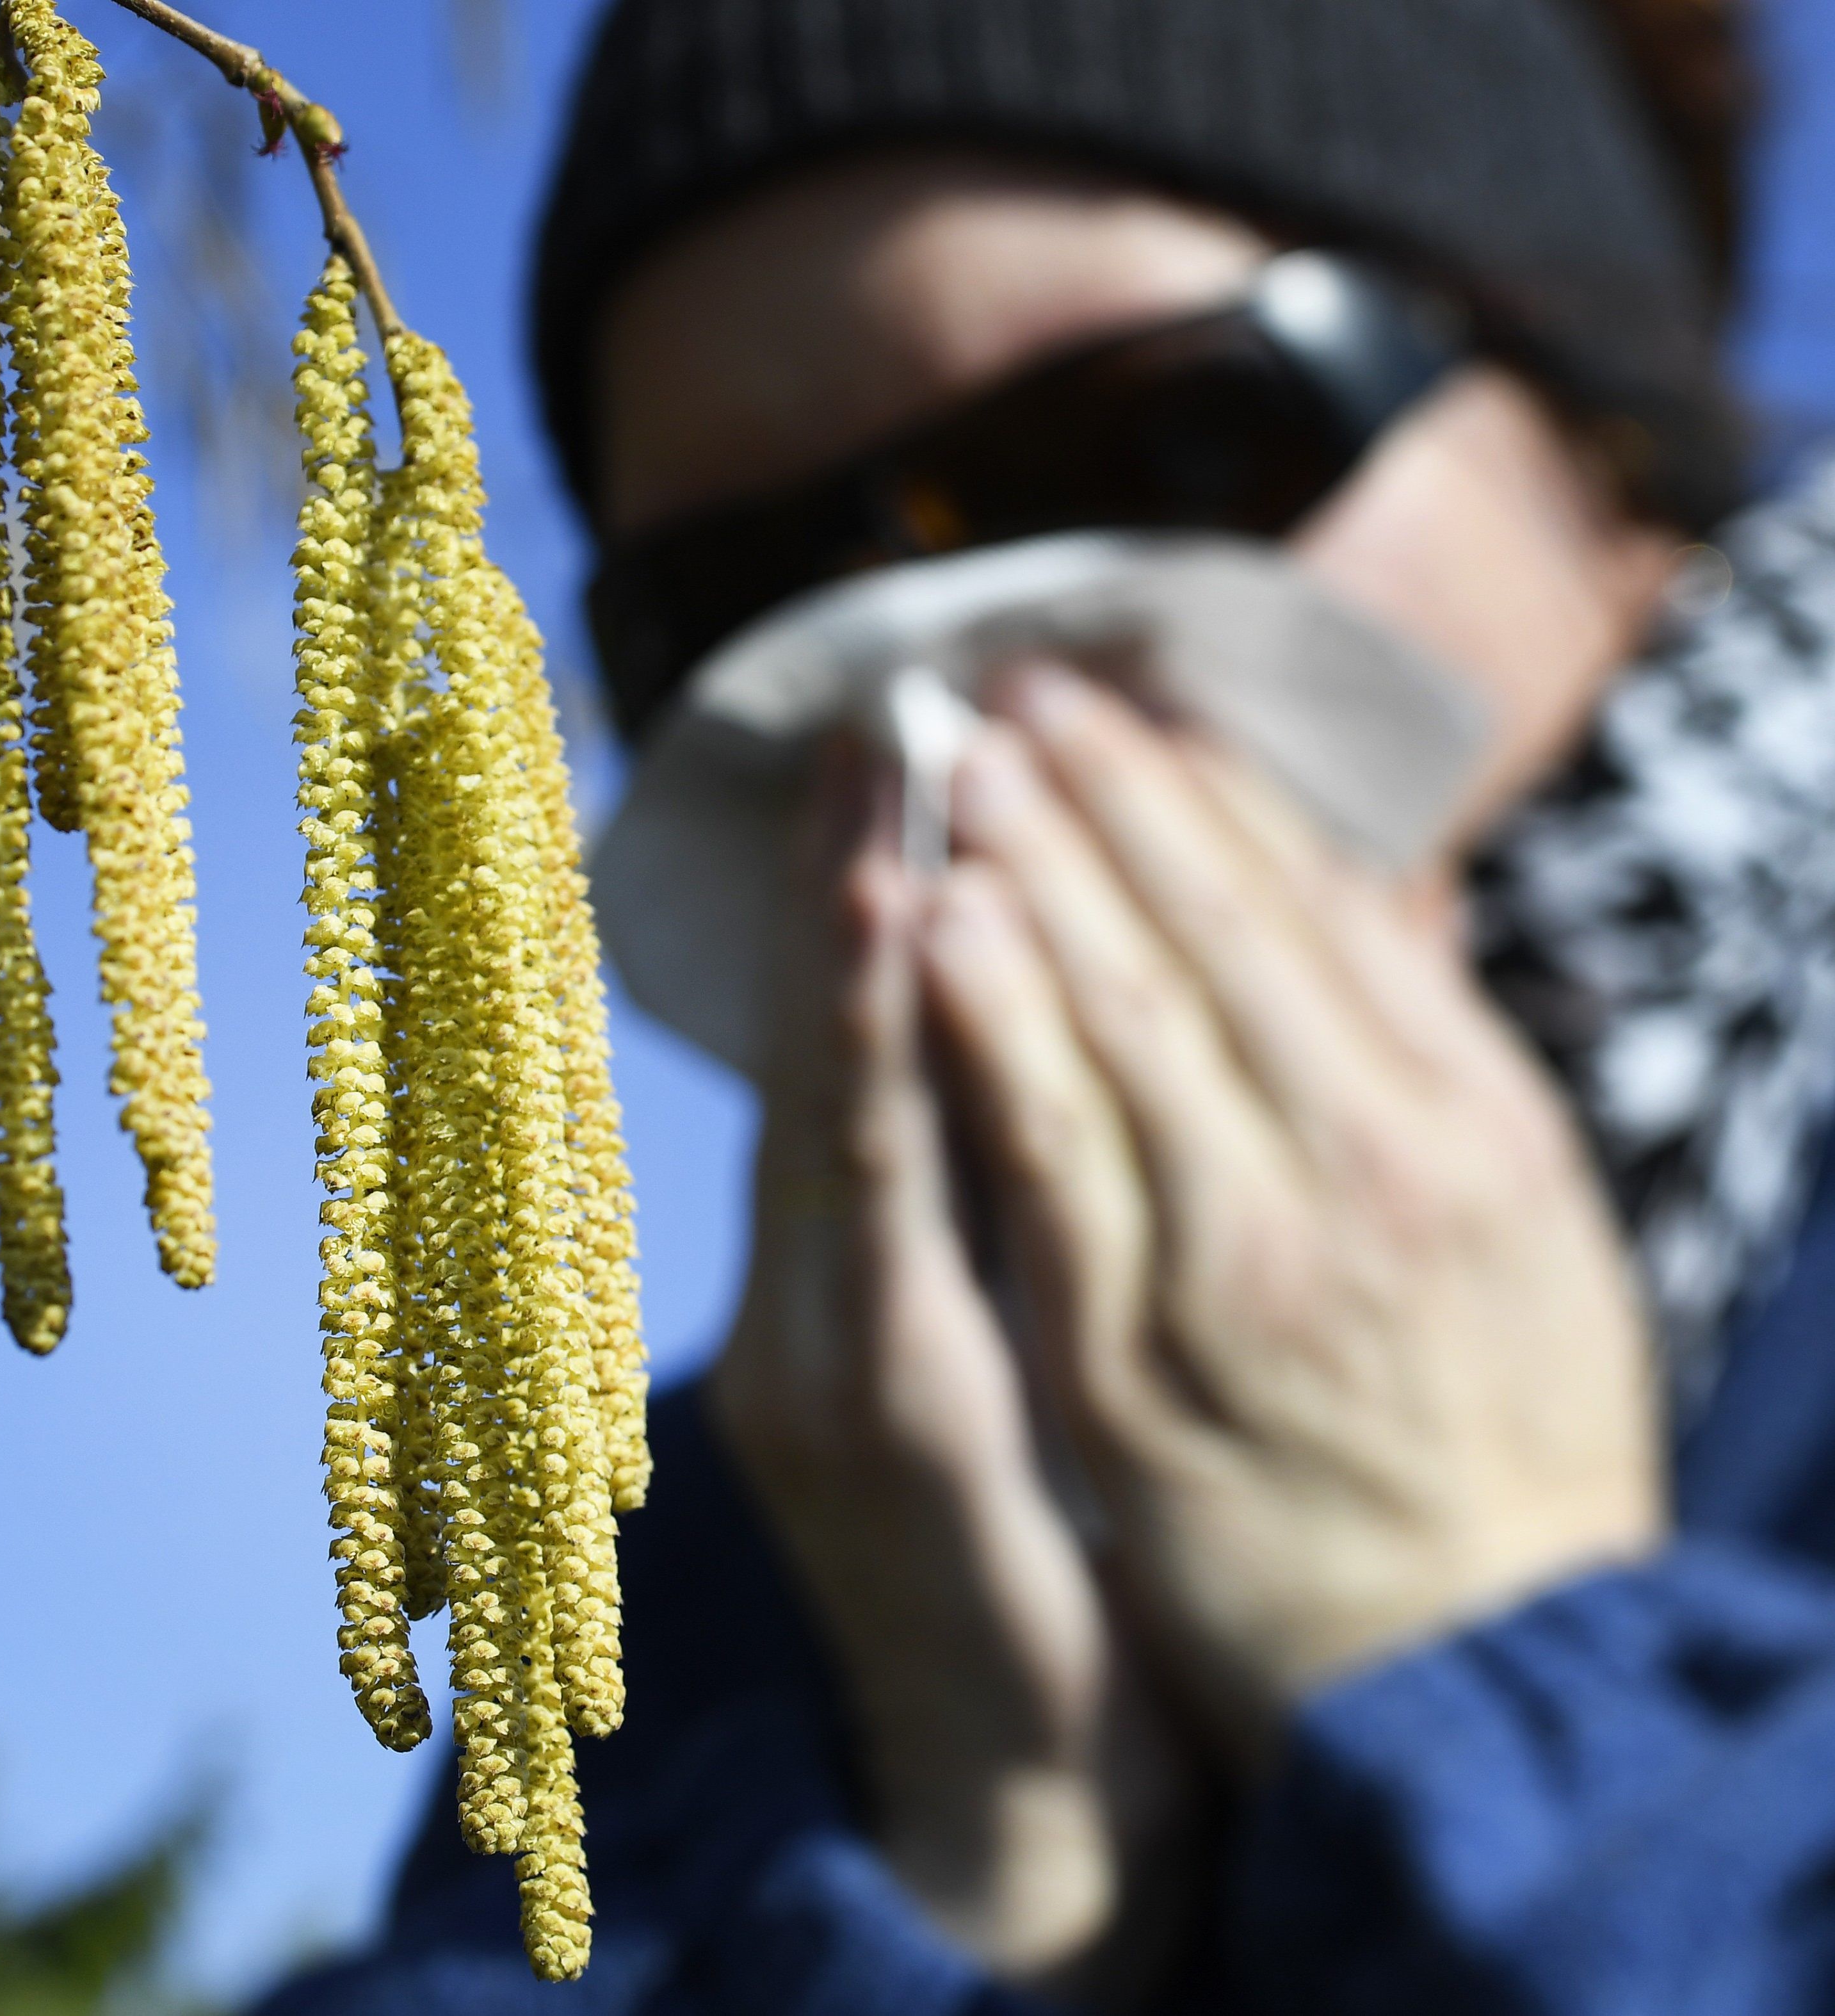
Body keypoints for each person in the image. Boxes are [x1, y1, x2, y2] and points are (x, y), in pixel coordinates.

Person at [259, 1, 1835, 2009]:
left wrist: (1510, 1693)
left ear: (1613, 456)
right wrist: (965, 1877)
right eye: (748, 606)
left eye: (1160, 447)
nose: (949, 704)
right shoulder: (711, 1551)